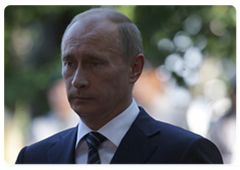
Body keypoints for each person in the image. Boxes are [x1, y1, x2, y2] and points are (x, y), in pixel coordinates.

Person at [15, 8, 223, 165]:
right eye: (69, 64)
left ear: (134, 68)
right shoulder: (33, 159)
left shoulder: (186, 155)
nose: (78, 80)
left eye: (94, 63)